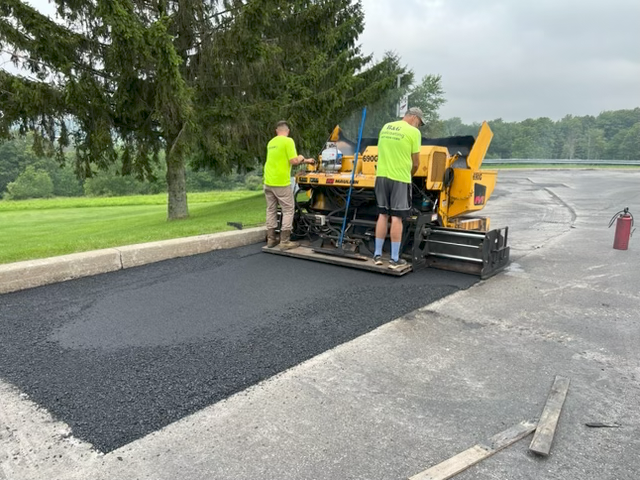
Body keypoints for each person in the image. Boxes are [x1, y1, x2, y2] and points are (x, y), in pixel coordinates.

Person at [373, 107, 426, 269]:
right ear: (414, 117)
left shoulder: (386, 127)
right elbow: (416, 162)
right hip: (400, 178)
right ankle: (394, 258)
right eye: (419, 123)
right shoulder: (414, 132)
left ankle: (377, 255)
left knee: (382, 215)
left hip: (381, 176)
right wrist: (410, 175)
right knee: (396, 217)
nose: (418, 126)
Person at [264, 120, 315, 249]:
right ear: (288, 131)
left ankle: (271, 239)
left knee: (271, 209)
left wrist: (305, 160)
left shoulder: (271, 142)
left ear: (276, 131)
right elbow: (293, 161)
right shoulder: (288, 141)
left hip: (268, 181)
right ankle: (285, 241)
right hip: (281, 182)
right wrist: (302, 158)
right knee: (288, 209)